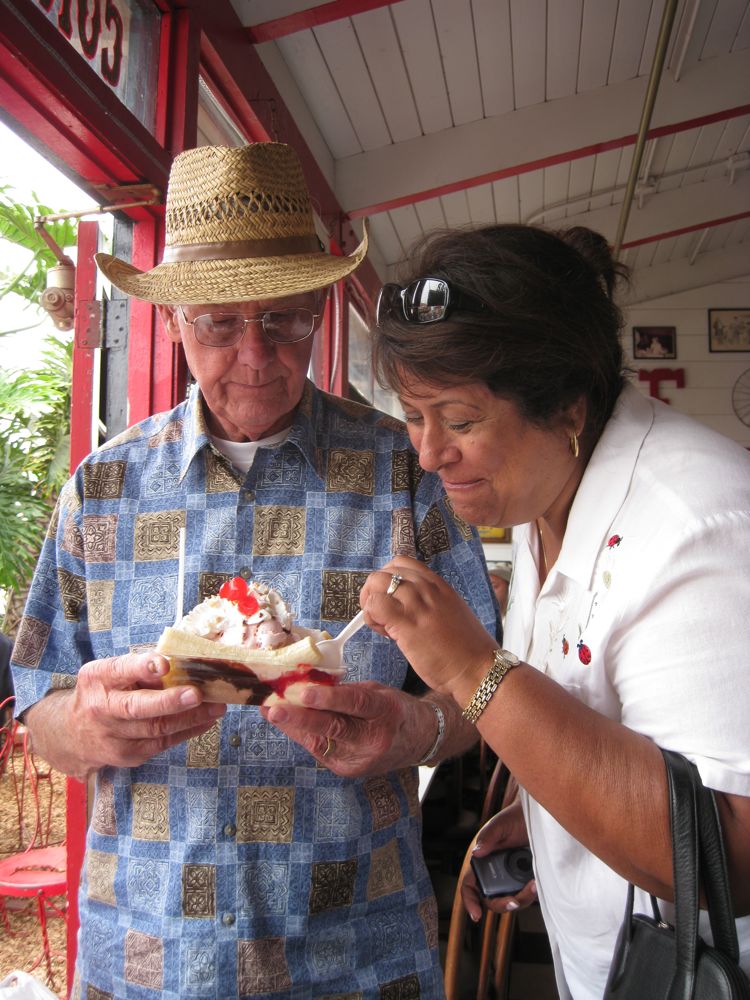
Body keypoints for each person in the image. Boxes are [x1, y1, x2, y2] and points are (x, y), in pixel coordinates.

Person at [10, 144, 499, 999]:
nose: (255, 356)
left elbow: (488, 694)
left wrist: (415, 734)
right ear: (172, 321)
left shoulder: (405, 470)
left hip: (357, 947)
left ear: (321, 306)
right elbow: (39, 705)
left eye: (284, 319)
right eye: (218, 323)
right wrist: (84, 729)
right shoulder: (102, 488)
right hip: (150, 955)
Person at [359, 223, 750, 999]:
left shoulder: (697, 527)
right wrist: (546, 818)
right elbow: (602, 723)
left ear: (567, 407)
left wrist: (472, 668)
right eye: (413, 414)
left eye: (460, 420)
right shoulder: (548, 501)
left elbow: (728, 852)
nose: (430, 452)